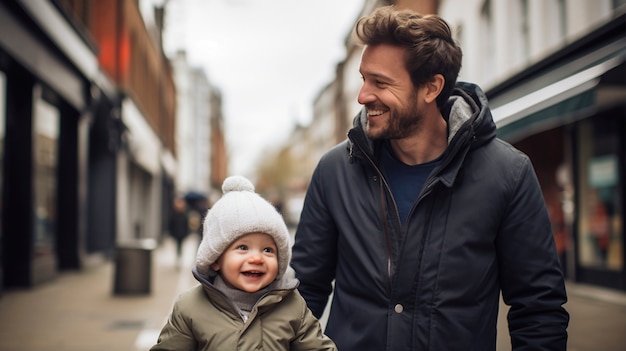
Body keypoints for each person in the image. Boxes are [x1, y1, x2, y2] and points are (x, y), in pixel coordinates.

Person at [290, 5, 569, 351]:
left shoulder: (508, 174)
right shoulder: (335, 171)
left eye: (381, 82)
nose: (363, 96)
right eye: (364, 79)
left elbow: (538, 308)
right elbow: (302, 295)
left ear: (431, 87)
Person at [151, 176, 336, 351]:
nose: (256, 258)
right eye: (242, 247)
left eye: (268, 250)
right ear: (216, 260)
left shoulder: (293, 305)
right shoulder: (190, 307)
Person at [169, 196, 190, 266]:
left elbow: (187, 225)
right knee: (178, 246)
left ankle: (179, 258)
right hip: (176, 233)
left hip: (182, 234)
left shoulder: (184, 215)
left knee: (180, 246)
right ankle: (178, 258)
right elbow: (171, 224)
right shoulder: (174, 215)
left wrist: (186, 233)